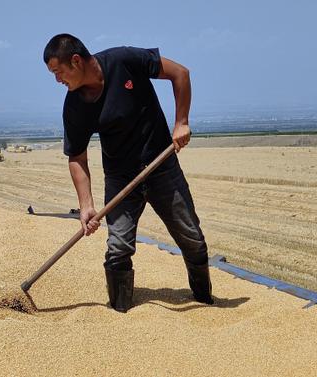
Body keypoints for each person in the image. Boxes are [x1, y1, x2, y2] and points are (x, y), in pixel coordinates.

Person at [43, 33, 213, 312]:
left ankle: (205, 302)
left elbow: (180, 73)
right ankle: (120, 311)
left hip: (161, 166)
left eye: (58, 72)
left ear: (75, 61)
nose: (57, 80)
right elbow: (77, 156)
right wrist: (86, 205)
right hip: (121, 178)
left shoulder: (124, 60)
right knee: (118, 249)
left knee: (192, 238)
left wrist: (181, 122)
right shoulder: (74, 105)